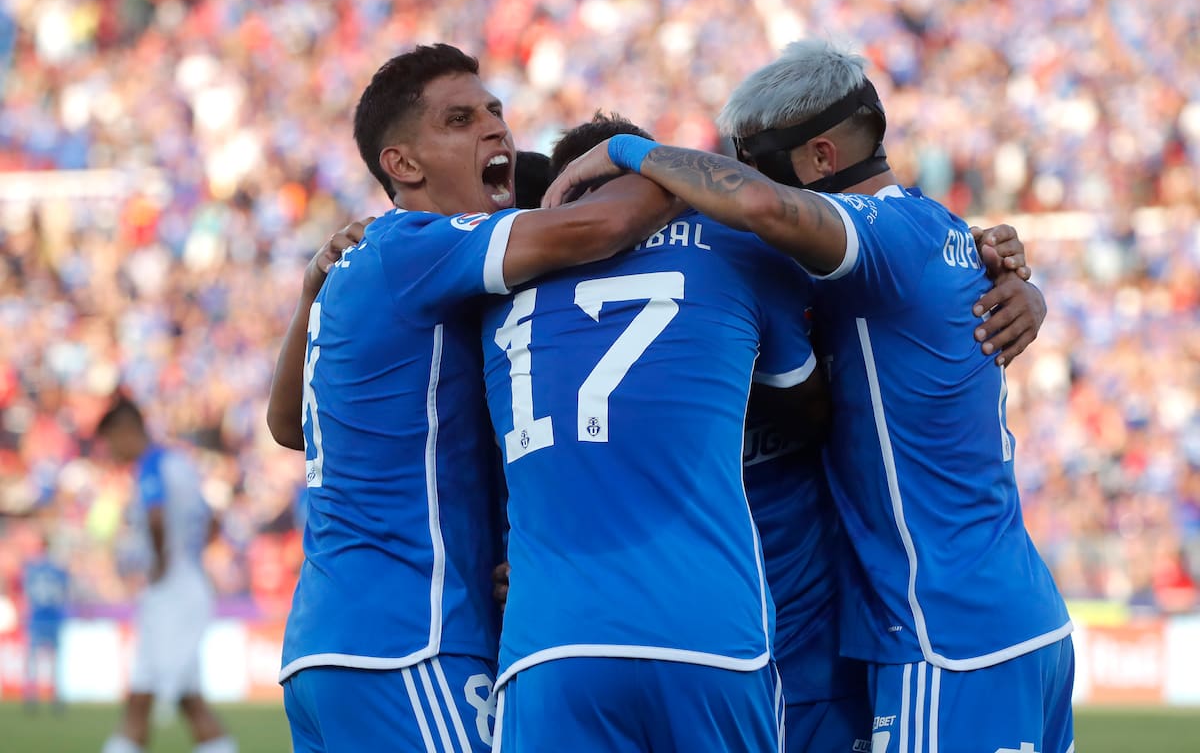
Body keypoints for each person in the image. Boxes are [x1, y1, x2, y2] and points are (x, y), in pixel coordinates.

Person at [546, 39, 1072, 753]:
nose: (740, 188)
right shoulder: (939, 232)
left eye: (754, 165)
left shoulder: (883, 237)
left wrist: (627, 155)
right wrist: (1027, 289)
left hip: (944, 631)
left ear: (822, 160)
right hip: (1003, 616)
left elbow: (766, 210)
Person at [265, 43, 674, 753]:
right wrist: (653, 163)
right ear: (403, 165)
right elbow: (602, 226)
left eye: (496, 113)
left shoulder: (370, 263)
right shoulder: (418, 246)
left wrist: (309, 297)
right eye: (460, 120)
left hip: (330, 644)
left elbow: (287, 425)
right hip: (410, 638)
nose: (495, 131)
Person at [481, 111, 832, 752]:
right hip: (706, 633)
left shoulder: (496, 282)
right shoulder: (736, 249)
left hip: (551, 642)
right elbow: (811, 408)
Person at [95, 396, 235, 753]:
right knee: (178, 699)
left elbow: (156, 517)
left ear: (126, 431)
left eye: (110, 440)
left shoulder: (152, 466)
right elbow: (213, 521)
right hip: (187, 585)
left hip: (171, 591)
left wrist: (160, 562)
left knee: (150, 697)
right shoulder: (181, 463)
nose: (110, 450)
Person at [22, 534, 69, 712]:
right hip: (54, 617)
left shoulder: (32, 569)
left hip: (37, 617)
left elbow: (28, 591)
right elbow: (64, 592)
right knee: (55, 660)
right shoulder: (58, 569)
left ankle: (31, 696)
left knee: (33, 659)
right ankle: (55, 697)